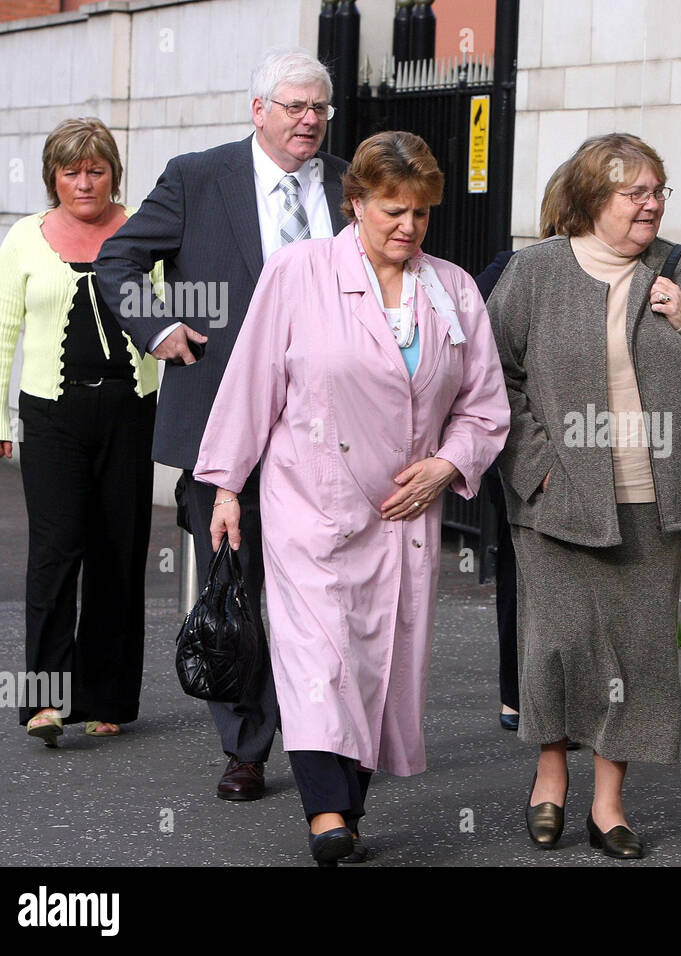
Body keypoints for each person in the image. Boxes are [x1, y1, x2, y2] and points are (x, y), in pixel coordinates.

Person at [197, 130, 509, 866]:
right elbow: (251, 384)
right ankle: (326, 815)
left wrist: (447, 465)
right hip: (310, 501)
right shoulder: (298, 272)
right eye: (393, 211)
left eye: (422, 214)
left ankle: (350, 810)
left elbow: (485, 406)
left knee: (377, 664)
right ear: (356, 202)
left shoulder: (454, 289)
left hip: (403, 514)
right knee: (317, 658)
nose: (409, 228)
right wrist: (225, 488)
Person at [488, 133, 681, 859]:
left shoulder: (678, 268)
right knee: (555, 645)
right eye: (633, 192)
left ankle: (608, 803)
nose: (650, 204)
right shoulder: (535, 272)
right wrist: (535, 466)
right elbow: (493, 376)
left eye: (657, 191)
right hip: (556, 498)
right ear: (589, 201)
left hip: (652, 498)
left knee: (638, 657)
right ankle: (550, 776)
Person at [96, 48, 350, 800]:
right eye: (295, 107)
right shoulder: (197, 177)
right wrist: (159, 325)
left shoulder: (350, 184)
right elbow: (117, 261)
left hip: (330, 426)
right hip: (222, 417)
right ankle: (246, 746)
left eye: (320, 109)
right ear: (258, 110)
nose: (309, 120)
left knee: (322, 588)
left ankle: (325, 738)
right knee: (234, 586)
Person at [0, 118, 158, 744]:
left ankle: (106, 696)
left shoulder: (143, 232)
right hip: (51, 417)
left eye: (97, 169)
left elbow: (171, 320)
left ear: (114, 172)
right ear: (54, 177)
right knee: (56, 554)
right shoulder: (25, 239)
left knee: (120, 551)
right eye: (72, 171)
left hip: (130, 412)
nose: (85, 182)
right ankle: (42, 702)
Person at [476, 162, 567, 735]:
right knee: (521, 566)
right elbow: (478, 357)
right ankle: (518, 693)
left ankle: (561, 697)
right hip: (519, 446)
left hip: (591, 451)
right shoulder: (512, 270)